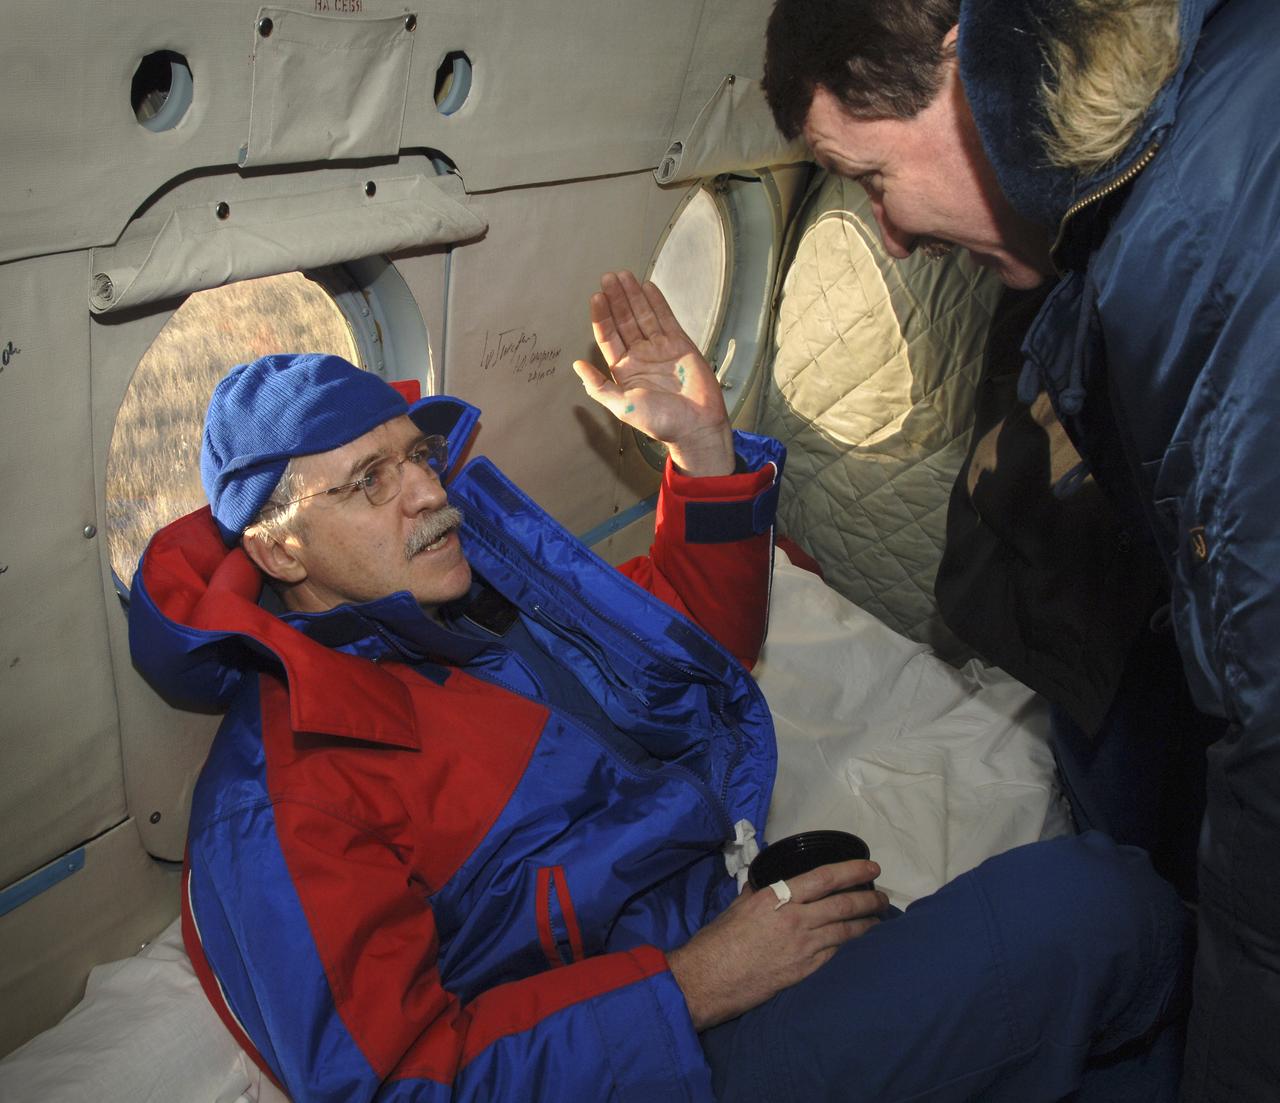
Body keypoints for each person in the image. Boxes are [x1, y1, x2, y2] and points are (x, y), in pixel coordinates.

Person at [131, 272, 1190, 1101]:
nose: (425, 491)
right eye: (369, 480)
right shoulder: (287, 796)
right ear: (278, 549)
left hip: (718, 935)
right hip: (660, 1061)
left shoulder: (464, 611)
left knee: (1090, 1030)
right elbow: (403, 1083)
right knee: (1104, 908)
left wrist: (703, 451)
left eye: (419, 455)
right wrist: (691, 985)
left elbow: (684, 654)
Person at [762, 1, 1278, 1099]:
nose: (889, 234)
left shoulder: (1194, 266)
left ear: (971, 72)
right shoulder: (1176, 153)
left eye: (870, 178)